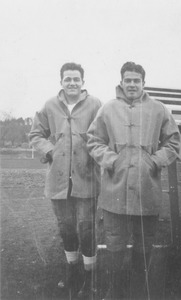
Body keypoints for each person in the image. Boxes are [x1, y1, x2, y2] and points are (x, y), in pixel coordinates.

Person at [87, 61, 180, 299]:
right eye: (127, 80)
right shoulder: (107, 109)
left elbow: (173, 142)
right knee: (115, 243)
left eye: (136, 81)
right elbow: (93, 141)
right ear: (121, 82)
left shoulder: (159, 109)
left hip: (146, 188)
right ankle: (116, 291)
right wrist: (112, 160)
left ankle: (139, 290)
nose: (131, 84)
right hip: (115, 188)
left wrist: (154, 161)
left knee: (144, 244)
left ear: (143, 83)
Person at [29, 62, 101, 299]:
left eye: (76, 79)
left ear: (83, 82)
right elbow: (35, 134)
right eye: (67, 79)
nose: (72, 83)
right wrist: (49, 151)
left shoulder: (95, 105)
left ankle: (90, 277)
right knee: (66, 227)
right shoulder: (50, 105)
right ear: (61, 81)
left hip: (86, 177)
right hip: (59, 179)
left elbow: (104, 135)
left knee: (87, 228)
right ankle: (72, 271)